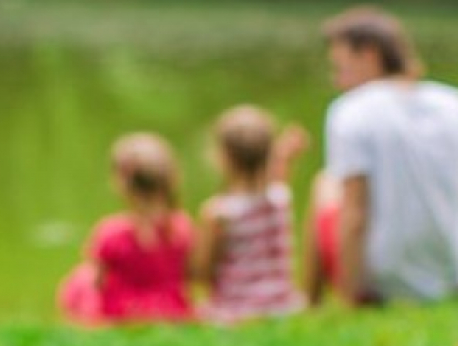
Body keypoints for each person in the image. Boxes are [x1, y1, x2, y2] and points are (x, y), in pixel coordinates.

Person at [305, 6, 458, 307]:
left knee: (324, 183)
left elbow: (355, 216)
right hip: (453, 281)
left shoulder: (350, 110)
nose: (338, 81)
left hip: (382, 287)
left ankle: (311, 302)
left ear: (369, 55)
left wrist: (347, 304)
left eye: (341, 67)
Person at [57, 132, 194, 325]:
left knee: (80, 278)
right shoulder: (182, 227)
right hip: (172, 309)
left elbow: (98, 282)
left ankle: (73, 322)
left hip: (123, 312)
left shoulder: (112, 232)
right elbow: (189, 275)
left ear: (121, 183)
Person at [191, 105, 307, 324]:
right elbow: (276, 179)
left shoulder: (218, 213)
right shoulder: (281, 198)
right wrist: (286, 156)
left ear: (223, 158)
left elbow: (201, 273)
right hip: (282, 306)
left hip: (236, 309)